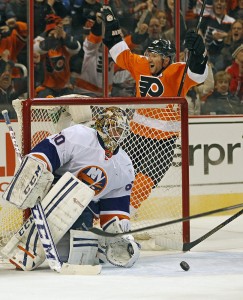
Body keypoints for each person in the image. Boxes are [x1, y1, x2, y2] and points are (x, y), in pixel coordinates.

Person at [2, 106, 140, 270]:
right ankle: (26, 250)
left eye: (121, 130)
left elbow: (114, 210)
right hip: (54, 193)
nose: (117, 134)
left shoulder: (125, 166)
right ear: (101, 125)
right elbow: (47, 151)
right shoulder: (79, 136)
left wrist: (119, 234)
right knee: (73, 194)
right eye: (114, 128)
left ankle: (100, 247)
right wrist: (35, 168)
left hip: (85, 209)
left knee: (74, 259)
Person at [100, 6, 208, 212]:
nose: (149, 58)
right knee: (119, 175)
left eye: (155, 55)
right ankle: (107, 213)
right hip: (136, 137)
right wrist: (113, 28)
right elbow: (120, 53)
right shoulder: (141, 64)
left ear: (166, 60)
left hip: (163, 143)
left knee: (143, 184)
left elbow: (199, 74)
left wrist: (199, 52)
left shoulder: (178, 71)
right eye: (148, 53)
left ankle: (124, 219)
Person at [34, 14, 81, 97]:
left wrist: (64, 36)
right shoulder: (40, 40)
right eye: (52, 31)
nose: (56, 33)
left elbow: (76, 48)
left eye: (58, 31)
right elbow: (36, 49)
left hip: (64, 87)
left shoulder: (65, 41)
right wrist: (53, 38)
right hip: (45, 86)